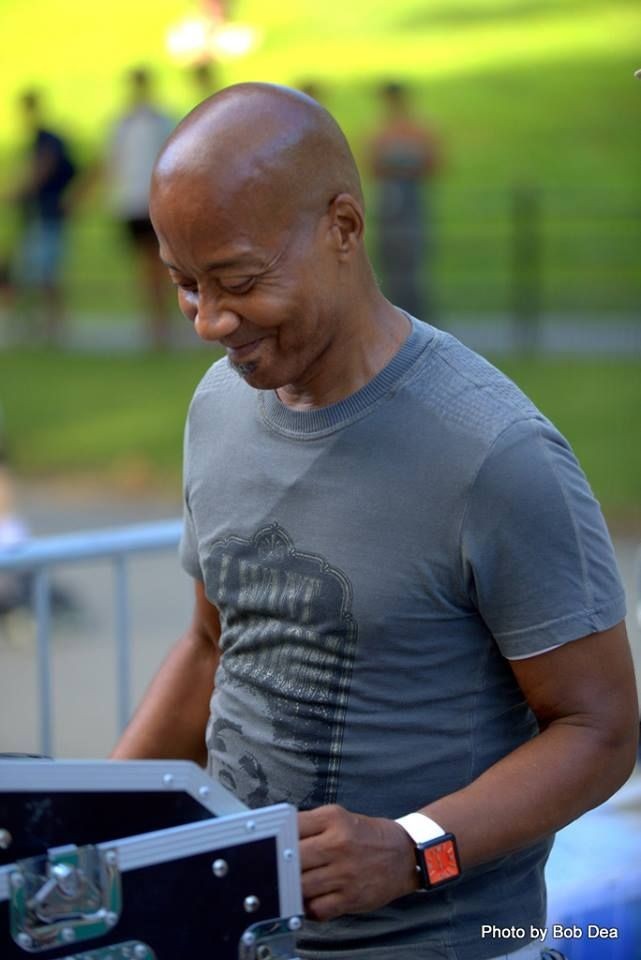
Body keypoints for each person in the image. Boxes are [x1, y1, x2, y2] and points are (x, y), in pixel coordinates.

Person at [111, 83, 639, 960]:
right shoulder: (218, 407)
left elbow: (600, 730)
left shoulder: (493, 453)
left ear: (343, 229)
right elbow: (214, 643)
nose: (209, 321)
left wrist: (412, 849)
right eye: (183, 284)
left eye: (238, 280)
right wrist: (99, 817)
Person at [104, 67, 175, 349]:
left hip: (151, 201)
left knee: (158, 264)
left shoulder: (159, 121)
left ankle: (160, 323)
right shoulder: (124, 123)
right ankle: (155, 322)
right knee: (147, 267)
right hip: (131, 201)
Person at [368, 81, 441, 320]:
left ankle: (414, 312)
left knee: (411, 255)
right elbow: (373, 165)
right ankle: (392, 309)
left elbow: (433, 163)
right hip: (390, 197)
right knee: (388, 254)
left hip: (410, 197)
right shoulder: (381, 132)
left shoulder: (416, 130)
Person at [9, 90, 76, 344]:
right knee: (39, 271)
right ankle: (44, 322)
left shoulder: (46, 140)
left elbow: (40, 172)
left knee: (46, 271)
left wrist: (16, 192)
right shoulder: (42, 139)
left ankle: (52, 323)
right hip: (39, 214)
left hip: (47, 214)